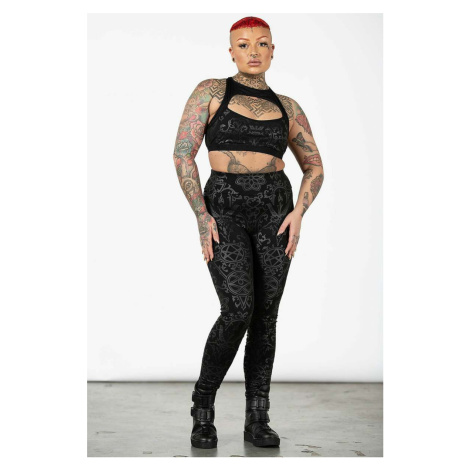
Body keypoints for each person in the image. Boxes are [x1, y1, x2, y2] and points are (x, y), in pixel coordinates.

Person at [173, 16, 324, 449]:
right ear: (231, 52)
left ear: (273, 51)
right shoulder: (210, 92)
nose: (253, 51)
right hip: (225, 205)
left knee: (266, 316)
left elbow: (314, 165)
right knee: (238, 309)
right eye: (243, 44)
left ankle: (258, 416)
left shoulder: (288, 107)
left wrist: (299, 211)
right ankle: (203, 407)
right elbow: (183, 154)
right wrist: (201, 215)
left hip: (275, 207)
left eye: (262, 43)